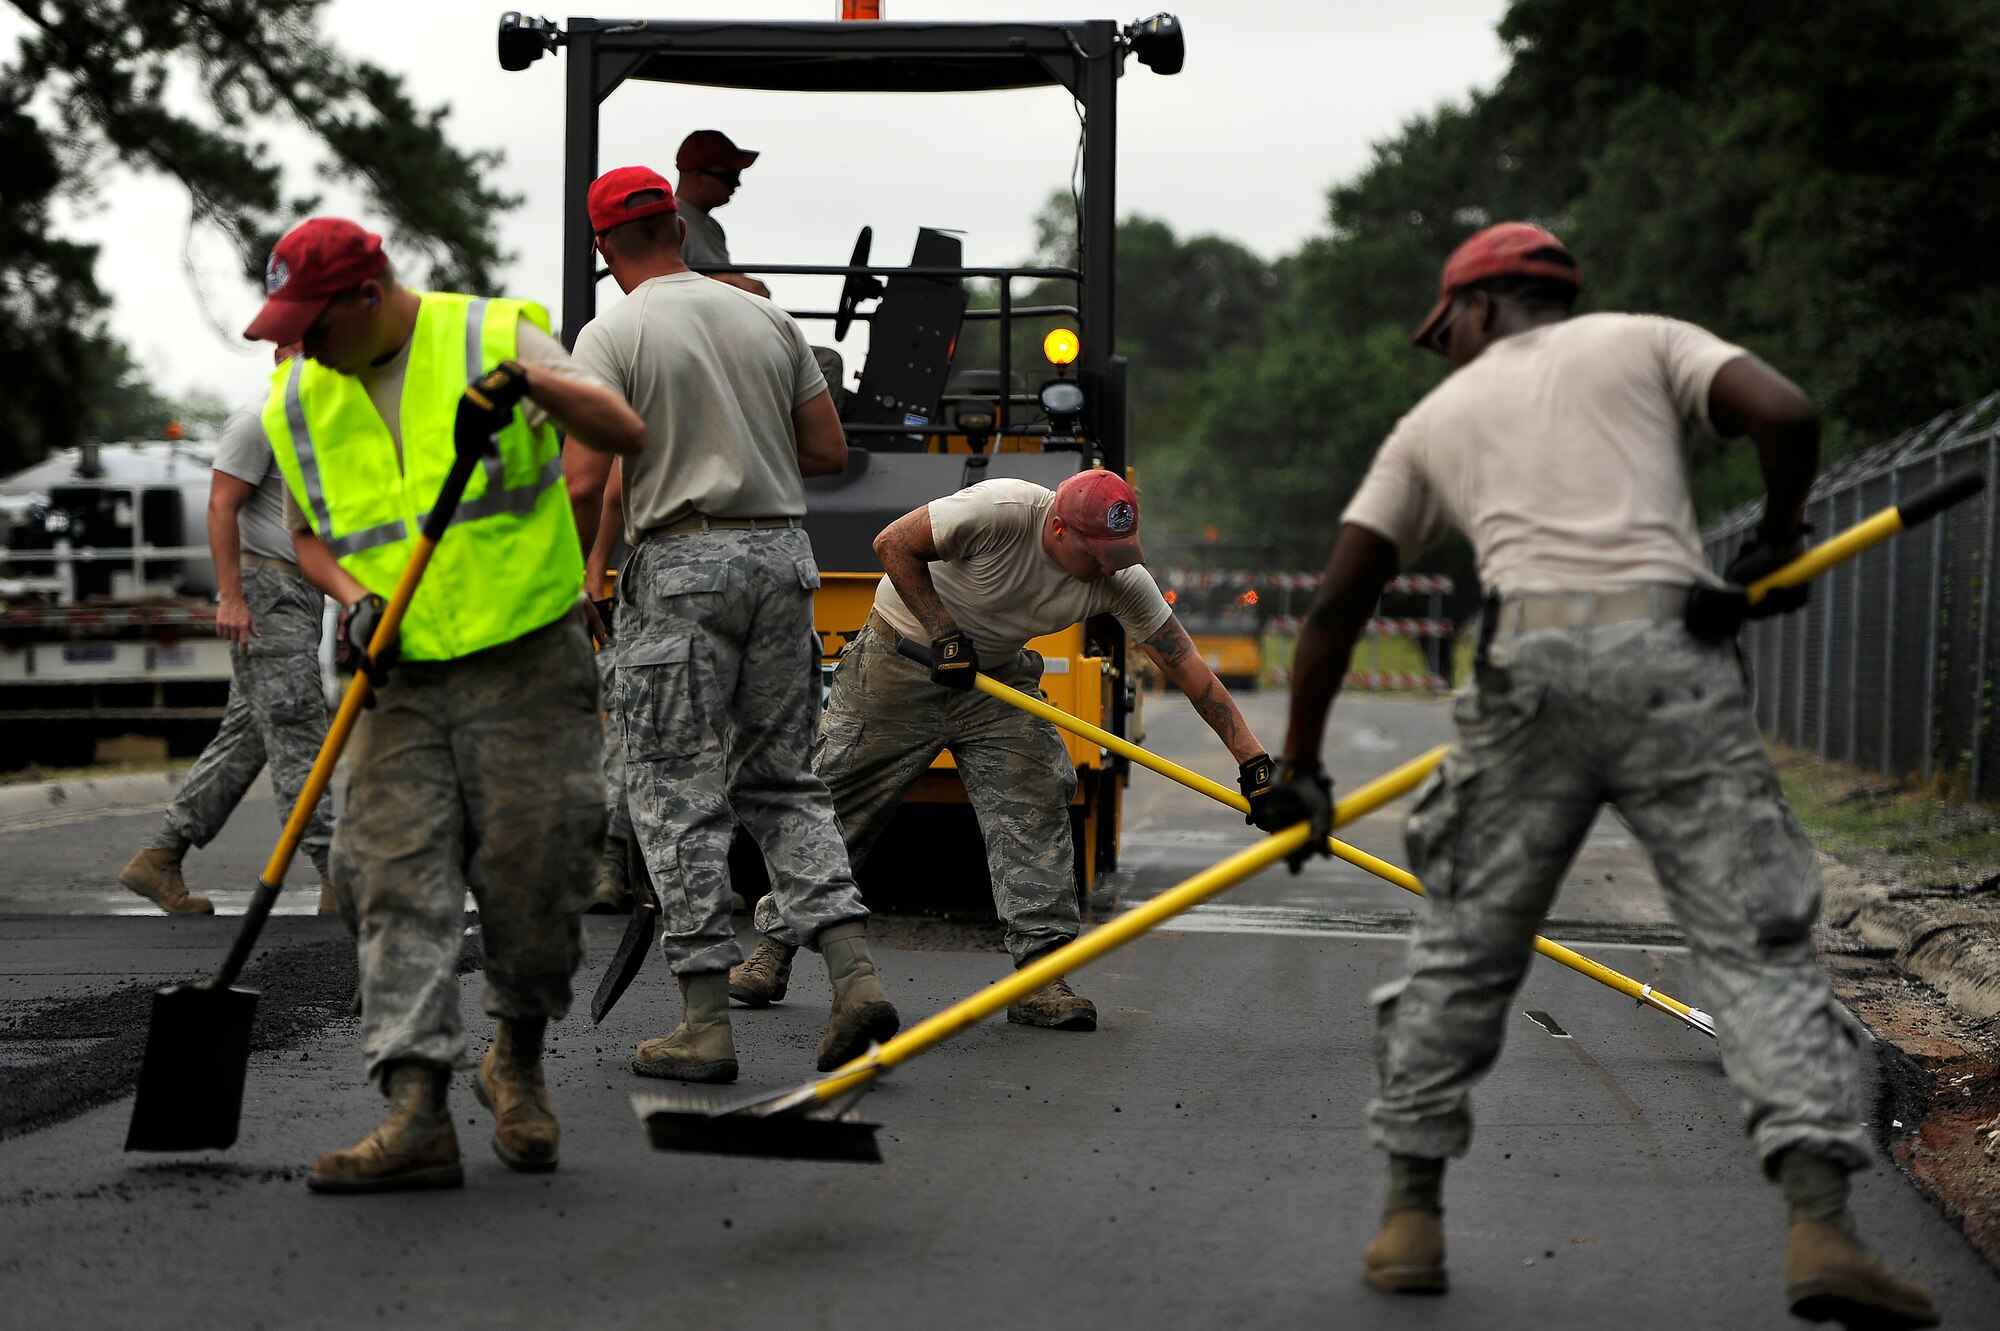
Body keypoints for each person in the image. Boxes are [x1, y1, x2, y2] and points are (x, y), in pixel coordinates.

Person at [1250, 222, 1938, 1328]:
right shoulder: (1649, 341)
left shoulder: (1433, 418)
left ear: (1474, 310)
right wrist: (1768, 539)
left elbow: (1335, 602)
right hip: (1673, 658)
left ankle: (1409, 1218)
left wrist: (1300, 769)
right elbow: (1788, 415)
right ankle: (1820, 1223)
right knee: (1751, 938)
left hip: (1529, 668)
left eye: (1451, 331)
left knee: (1465, 940)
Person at [245, 216, 646, 1193]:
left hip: (527, 654)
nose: (297, 345)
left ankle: (514, 1056)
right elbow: (308, 535)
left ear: (368, 297)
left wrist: (528, 387)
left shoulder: (490, 335)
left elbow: (624, 432)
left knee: (536, 864)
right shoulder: (299, 395)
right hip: (401, 673)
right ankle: (414, 1105)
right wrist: (352, 597)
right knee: (388, 869)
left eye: (312, 322)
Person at [729, 470, 1274, 1033]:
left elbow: (1185, 666)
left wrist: (1253, 764)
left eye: (1121, 553)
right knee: (836, 805)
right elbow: (892, 543)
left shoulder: (1120, 577)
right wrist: (942, 630)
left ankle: (1040, 977)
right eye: (1099, 554)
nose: (1111, 566)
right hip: (900, 664)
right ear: (1059, 530)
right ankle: (772, 950)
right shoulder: (1000, 511)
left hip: (996, 682)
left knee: (1035, 797)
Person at [566, 165, 898, 1085]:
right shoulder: (766, 318)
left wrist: (584, 573)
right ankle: (854, 975)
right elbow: (828, 450)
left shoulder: (613, 331)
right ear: (677, 226)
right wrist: (743, 445)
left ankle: (704, 1026)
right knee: (786, 781)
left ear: (604, 248)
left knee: (675, 791)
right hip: (782, 559)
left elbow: (586, 479)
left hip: (679, 571)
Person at [117, 342, 338, 918]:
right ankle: (339, 874)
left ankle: (160, 858)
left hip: (299, 593)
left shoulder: (312, 425)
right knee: (300, 730)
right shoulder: (257, 418)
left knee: (244, 741)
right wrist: (232, 597)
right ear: (282, 352)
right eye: (306, 346)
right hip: (266, 594)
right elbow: (221, 506)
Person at [674, 129, 770, 298]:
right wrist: (734, 283)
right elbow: (665, 284)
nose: (737, 184)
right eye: (730, 176)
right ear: (698, 177)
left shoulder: (713, 227)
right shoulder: (669, 221)